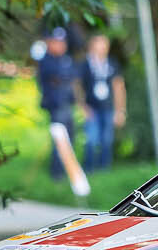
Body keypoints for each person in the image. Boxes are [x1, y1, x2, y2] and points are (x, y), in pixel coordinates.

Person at [34, 27, 89, 195]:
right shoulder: (46, 60)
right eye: (56, 42)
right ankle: (57, 174)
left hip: (67, 105)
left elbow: (72, 77)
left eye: (62, 42)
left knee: (70, 139)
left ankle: (67, 173)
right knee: (60, 140)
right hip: (55, 106)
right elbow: (58, 77)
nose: (60, 45)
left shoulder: (66, 59)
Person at [79, 32, 127, 171]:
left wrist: (120, 110)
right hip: (91, 108)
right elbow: (77, 87)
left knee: (107, 140)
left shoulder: (112, 64)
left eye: (104, 47)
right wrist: (82, 107)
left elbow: (119, 87)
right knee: (91, 139)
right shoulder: (85, 65)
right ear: (91, 47)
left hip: (108, 108)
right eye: (98, 47)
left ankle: (104, 170)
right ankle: (89, 169)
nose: (101, 50)